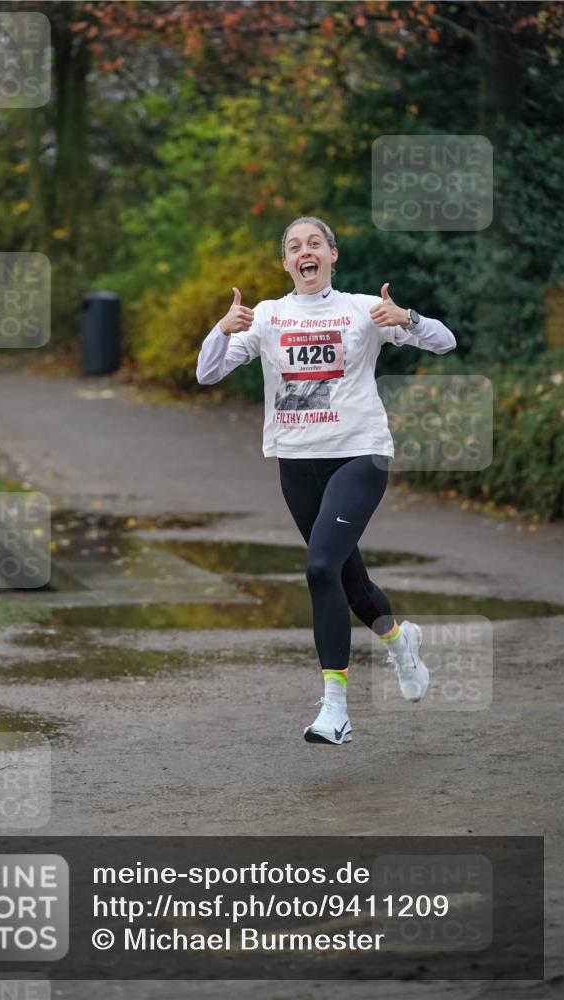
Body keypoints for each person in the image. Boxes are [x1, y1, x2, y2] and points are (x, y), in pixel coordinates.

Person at [195, 216, 457, 745]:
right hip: (296, 463)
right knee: (347, 579)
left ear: (332, 255)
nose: (305, 252)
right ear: (286, 263)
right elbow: (207, 373)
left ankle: (335, 708)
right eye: (294, 246)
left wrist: (406, 317)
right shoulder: (267, 316)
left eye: (315, 243)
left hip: (359, 455)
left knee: (319, 567)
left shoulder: (362, 309)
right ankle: (401, 641)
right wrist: (221, 330)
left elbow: (445, 343)